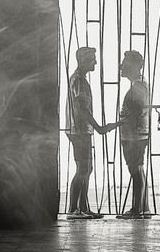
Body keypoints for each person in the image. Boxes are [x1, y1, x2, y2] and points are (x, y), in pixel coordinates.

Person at [100, 49, 152, 218]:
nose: (121, 66)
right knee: (138, 169)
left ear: (135, 66)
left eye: (125, 63)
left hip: (133, 136)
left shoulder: (138, 86)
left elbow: (134, 114)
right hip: (137, 134)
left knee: (135, 170)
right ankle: (143, 208)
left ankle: (136, 210)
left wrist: (112, 125)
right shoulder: (140, 84)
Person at [65, 46, 105, 218]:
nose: (95, 62)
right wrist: (99, 127)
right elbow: (82, 108)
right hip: (80, 130)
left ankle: (83, 208)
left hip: (82, 130)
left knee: (86, 168)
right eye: (92, 59)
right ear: (82, 60)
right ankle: (74, 210)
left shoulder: (79, 79)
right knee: (83, 168)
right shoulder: (79, 80)